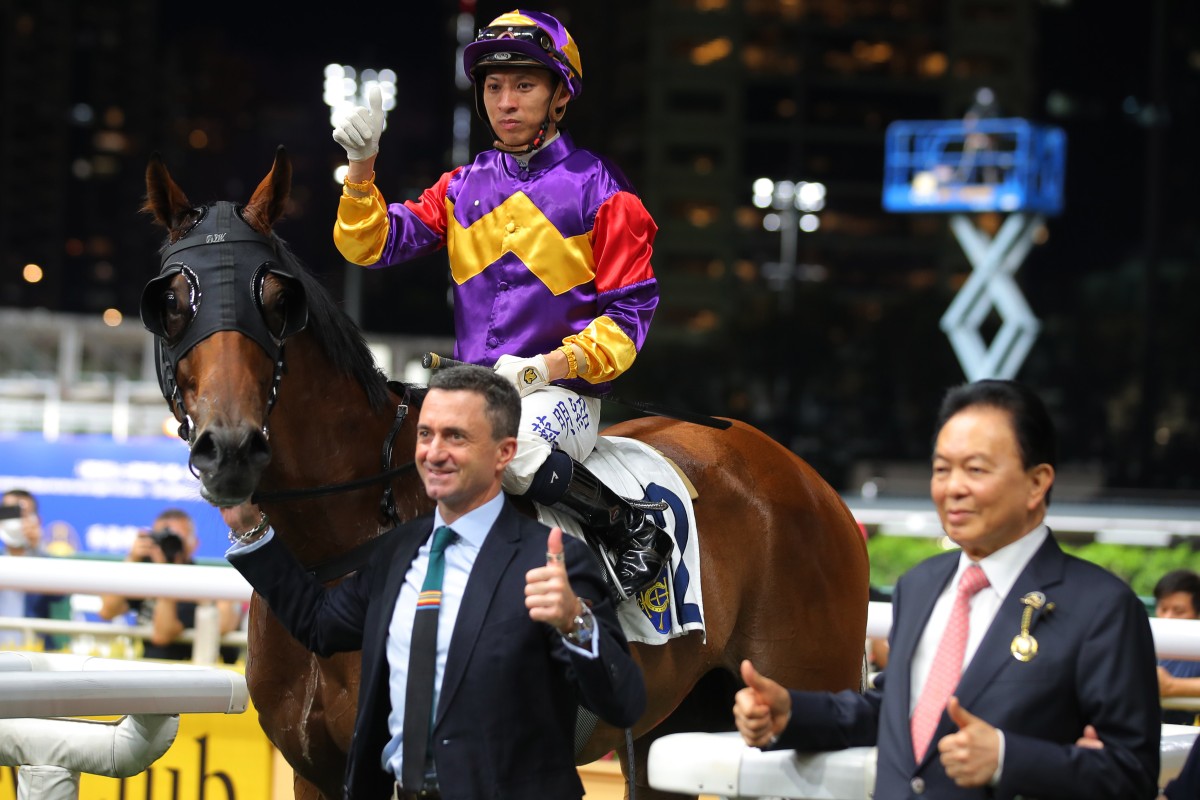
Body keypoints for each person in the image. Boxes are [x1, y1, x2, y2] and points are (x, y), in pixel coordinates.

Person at [330, 8, 670, 601]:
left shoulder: (605, 192)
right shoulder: (461, 186)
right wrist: (361, 169)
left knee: (505, 453)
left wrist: (548, 367)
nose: (505, 101)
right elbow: (370, 244)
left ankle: (626, 523)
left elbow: (627, 321)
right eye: (494, 86)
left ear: (559, 94)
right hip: (472, 388)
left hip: (558, 395)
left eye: (524, 85)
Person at [218, 364, 645, 799]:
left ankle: (628, 522)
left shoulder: (555, 561)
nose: (434, 453)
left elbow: (623, 703)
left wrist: (577, 623)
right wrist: (251, 531)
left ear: (504, 453)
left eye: (456, 436)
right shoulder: (396, 554)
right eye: (426, 435)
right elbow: (318, 624)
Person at [732, 379, 1161, 799]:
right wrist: (791, 715)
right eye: (942, 469)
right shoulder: (920, 585)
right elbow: (898, 715)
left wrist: (1007, 759)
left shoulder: (1102, 607)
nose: (953, 487)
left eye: (975, 469)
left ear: (1037, 483)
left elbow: (1133, 773)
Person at [98, 508, 241, 663]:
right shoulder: (145, 576)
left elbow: (163, 635)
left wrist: (165, 573)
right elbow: (107, 611)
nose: (170, 543)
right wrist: (131, 560)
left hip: (189, 673)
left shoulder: (201, 583)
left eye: (178, 538)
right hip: (148, 670)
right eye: (163, 537)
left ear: (194, 544)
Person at [0, 489, 66, 650]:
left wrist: (37, 549)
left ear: (37, 520)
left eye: (23, 514)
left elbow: (60, 595)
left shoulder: (44, 562)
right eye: (9, 513)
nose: (15, 522)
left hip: (35, 652)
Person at [1153, 568, 1200, 725]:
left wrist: (1172, 686)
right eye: (1163, 609)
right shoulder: (1146, 639)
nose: (1167, 617)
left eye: (1178, 611)